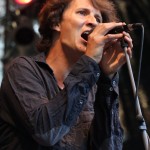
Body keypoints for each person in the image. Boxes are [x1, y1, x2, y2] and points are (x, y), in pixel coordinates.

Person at [0, 0, 133, 149]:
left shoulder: (93, 88)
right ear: (56, 23)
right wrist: (89, 61)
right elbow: (46, 132)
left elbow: (110, 147)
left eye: (98, 19)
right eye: (82, 13)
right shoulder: (22, 69)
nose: (94, 23)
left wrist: (107, 80)